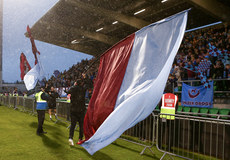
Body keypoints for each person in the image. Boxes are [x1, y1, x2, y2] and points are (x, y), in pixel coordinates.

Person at [66, 79, 86, 146]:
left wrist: (74, 86)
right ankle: (80, 139)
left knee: (73, 125)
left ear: (76, 83)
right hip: (81, 110)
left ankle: (70, 138)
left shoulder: (73, 88)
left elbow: (67, 91)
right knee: (81, 126)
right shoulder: (83, 89)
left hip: (73, 109)